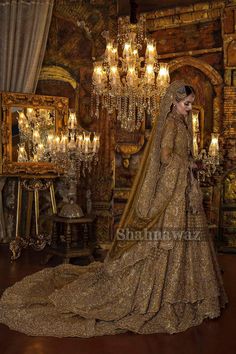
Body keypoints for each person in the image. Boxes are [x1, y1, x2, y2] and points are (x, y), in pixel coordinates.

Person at [0, 80, 227, 337]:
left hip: (182, 191)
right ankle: (162, 297)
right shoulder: (172, 125)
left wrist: (190, 165)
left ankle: (188, 295)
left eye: (191, 104)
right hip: (172, 192)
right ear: (173, 103)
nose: (189, 108)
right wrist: (187, 166)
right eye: (186, 104)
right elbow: (165, 157)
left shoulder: (183, 125)